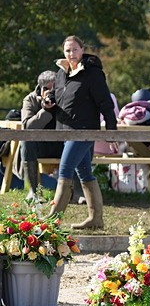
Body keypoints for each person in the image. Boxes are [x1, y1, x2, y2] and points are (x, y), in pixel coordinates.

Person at [47, 35, 118, 227]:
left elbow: (105, 103)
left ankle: (52, 220)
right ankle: (96, 219)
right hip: (65, 130)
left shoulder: (92, 73)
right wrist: (48, 100)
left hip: (84, 131)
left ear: (82, 50)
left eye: (75, 49)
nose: (71, 54)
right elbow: (57, 96)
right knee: (84, 172)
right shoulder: (61, 73)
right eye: (67, 50)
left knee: (65, 170)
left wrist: (111, 130)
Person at [19, 71, 64, 199]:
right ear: (41, 88)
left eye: (54, 89)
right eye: (47, 89)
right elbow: (28, 126)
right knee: (26, 140)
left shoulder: (65, 97)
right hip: (40, 146)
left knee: (77, 141)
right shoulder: (31, 99)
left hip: (62, 144)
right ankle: (34, 191)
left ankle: (77, 191)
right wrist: (45, 110)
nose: (51, 92)